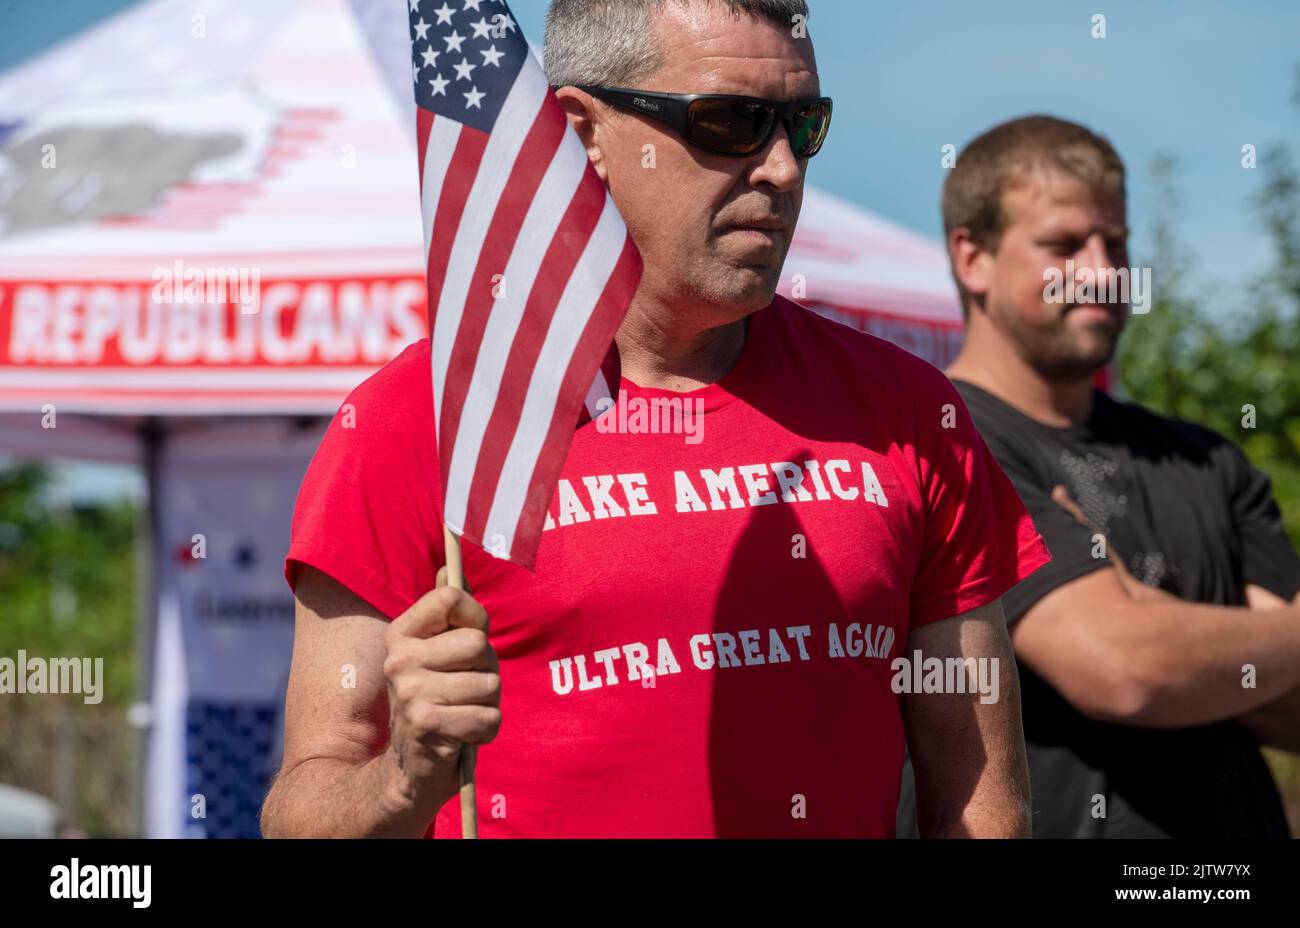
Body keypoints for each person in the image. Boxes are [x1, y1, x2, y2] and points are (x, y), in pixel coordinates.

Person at [260, 0, 1049, 838]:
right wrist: (401, 780)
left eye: (802, 124)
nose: (781, 167)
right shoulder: (418, 419)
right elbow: (299, 810)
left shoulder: (906, 412)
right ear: (582, 133)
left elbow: (979, 797)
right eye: (732, 122)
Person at [901, 114, 1300, 837]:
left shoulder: (1207, 458)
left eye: (1115, 243)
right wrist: (1183, 645)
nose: (1103, 270)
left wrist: (1172, 638)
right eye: (1064, 245)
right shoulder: (940, 441)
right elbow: (1122, 669)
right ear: (973, 258)